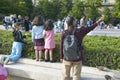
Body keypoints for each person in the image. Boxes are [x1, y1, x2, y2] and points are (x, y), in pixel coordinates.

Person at [60, 15, 104, 80]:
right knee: (76, 76)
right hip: (77, 57)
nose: (76, 20)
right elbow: (90, 28)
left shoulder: (64, 33)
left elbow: (61, 45)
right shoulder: (80, 31)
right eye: (75, 20)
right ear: (73, 22)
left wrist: (61, 57)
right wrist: (99, 21)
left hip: (66, 57)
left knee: (65, 76)